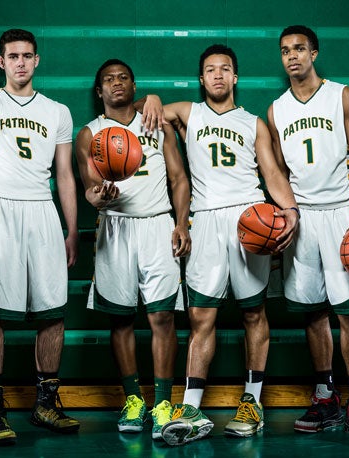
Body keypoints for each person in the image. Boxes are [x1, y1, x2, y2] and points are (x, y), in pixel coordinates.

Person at [142, 44, 300, 446]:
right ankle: (192, 408)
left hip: (250, 219)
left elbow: (271, 172)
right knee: (201, 318)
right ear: (201, 79)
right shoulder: (188, 113)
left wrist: (291, 210)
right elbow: (153, 107)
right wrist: (155, 98)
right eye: (210, 70)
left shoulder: (253, 122)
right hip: (206, 219)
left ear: (235, 77)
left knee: (253, 314)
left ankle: (252, 403)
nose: (217, 75)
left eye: (224, 69)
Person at [267, 25, 349, 445]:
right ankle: (326, 397)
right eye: (285, 51)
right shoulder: (276, 109)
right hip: (302, 218)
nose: (292, 56)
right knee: (312, 310)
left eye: (300, 49)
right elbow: (279, 172)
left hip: (343, 214)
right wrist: (286, 216)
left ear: (314, 53)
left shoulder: (342, 95)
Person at [0, 28, 80, 446]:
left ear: (37, 60)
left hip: (42, 210)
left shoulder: (58, 112)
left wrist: (71, 230)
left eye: (27, 56)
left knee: (53, 312)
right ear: (1, 62)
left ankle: (46, 403)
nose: (20, 63)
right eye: (12, 56)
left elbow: (65, 175)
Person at [75, 59, 191, 440]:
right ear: (99, 91)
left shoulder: (156, 123)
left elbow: (179, 178)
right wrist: (99, 195)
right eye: (108, 79)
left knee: (162, 319)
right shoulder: (90, 133)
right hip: (115, 228)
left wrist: (180, 222)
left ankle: (161, 403)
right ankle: (133, 400)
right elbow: (90, 187)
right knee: (121, 319)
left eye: (123, 77)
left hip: (158, 224)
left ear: (134, 85)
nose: (116, 83)